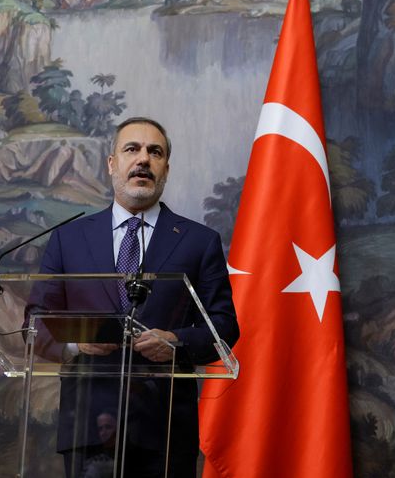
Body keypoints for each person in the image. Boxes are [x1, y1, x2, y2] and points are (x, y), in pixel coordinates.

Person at [26, 117, 239, 477]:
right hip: (88, 425)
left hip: (166, 426)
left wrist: (176, 342)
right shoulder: (68, 238)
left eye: (154, 152)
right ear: (112, 163)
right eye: (132, 149)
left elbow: (224, 326)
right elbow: (34, 323)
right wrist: (78, 344)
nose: (143, 159)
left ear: (165, 169)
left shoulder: (199, 242)